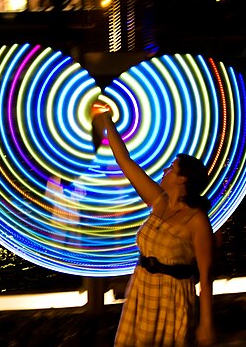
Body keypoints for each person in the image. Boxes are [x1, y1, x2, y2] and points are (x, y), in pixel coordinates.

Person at [92, 108, 215, 346]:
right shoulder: (158, 201)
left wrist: (206, 323)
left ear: (182, 179)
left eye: (171, 168)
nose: (164, 170)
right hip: (142, 288)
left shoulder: (197, 220)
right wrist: (107, 120)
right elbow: (124, 161)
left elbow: (207, 275)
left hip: (173, 297)